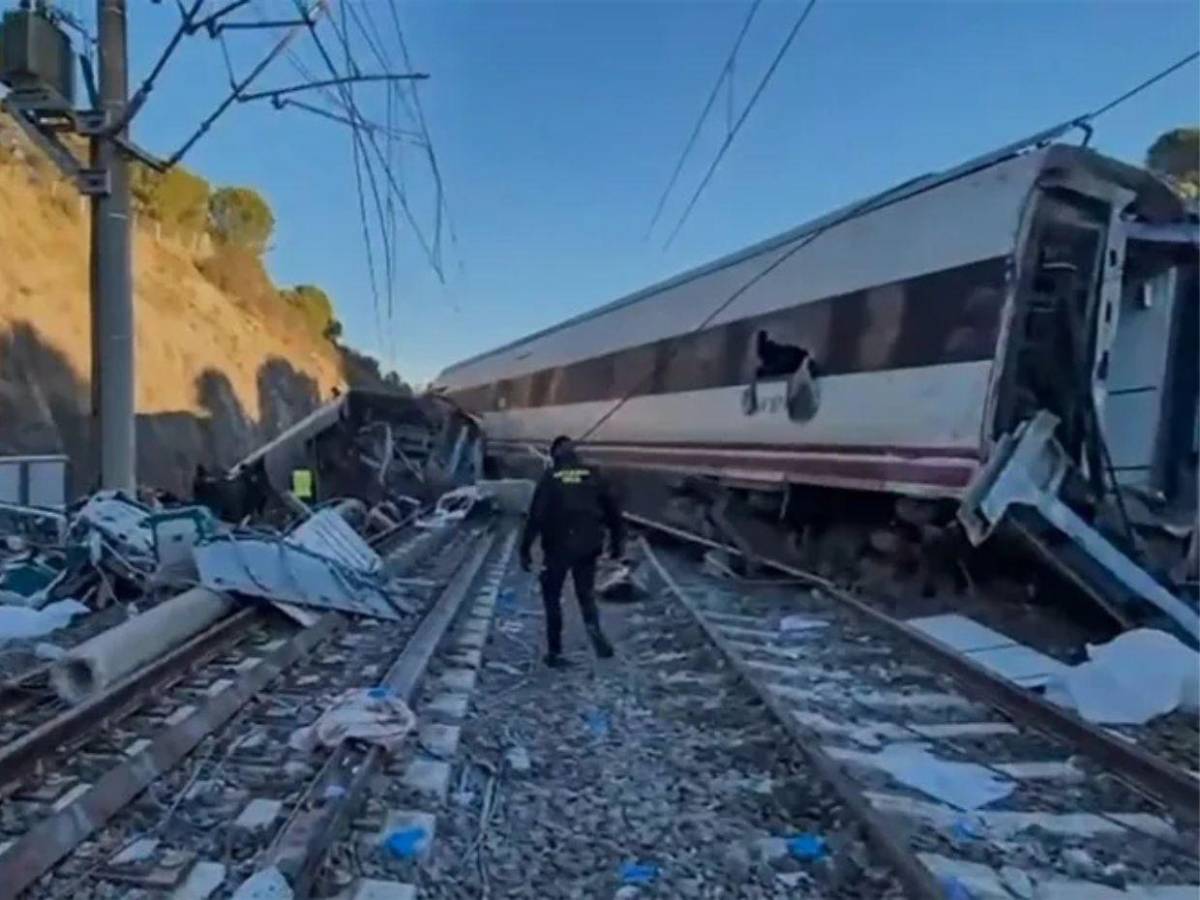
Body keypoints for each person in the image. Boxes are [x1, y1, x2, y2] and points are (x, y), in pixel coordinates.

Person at [520, 436, 623, 668]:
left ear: (554, 455)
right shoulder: (593, 475)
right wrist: (617, 545)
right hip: (589, 545)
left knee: (552, 597)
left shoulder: (551, 477)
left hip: (558, 546)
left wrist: (524, 549)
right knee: (585, 594)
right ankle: (594, 631)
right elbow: (614, 513)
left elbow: (536, 516)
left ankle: (555, 652)